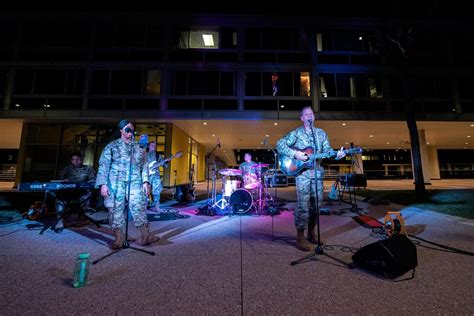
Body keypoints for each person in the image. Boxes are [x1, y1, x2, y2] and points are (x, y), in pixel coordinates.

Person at [276, 106, 346, 251]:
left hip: (317, 174)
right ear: (302, 118)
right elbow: (279, 144)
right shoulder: (296, 133)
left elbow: (327, 151)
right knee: (303, 205)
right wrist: (296, 154)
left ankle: (311, 232)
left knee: (317, 205)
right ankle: (300, 236)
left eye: (311, 114)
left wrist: (336, 154)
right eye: (306, 114)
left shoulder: (321, 134)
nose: (310, 116)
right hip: (303, 175)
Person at [95, 120, 160, 249]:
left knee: (138, 208)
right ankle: (120, 238)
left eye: (132, 130)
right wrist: (103, 184)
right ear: (121, 130)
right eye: (127, 129)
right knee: (114, 209)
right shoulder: (111, 146)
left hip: (135, 182)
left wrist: (146, 182)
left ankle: (145, 236)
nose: (130, 132)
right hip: (115, 183)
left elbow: (144, 166)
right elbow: (104, 166)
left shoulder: (138, 147)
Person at [54, 152, 96, 233]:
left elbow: (93, 180)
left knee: (87, 194)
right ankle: (60, 221)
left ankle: (80, 219)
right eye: (73, 159)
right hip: (68, 191)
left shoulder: (88, 169)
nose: (75, 161)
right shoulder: (67, 169)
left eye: (77, 159)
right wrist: (64, 181)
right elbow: (60, 179)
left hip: (82, 191)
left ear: (81, 160)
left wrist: (85, 183)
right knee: (59, 197)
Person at [146, 141, 169, 212]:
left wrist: (166, 161)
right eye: (152, 145)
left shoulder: (158, 156)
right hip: (146, 175)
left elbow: (165, 165)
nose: (154, 146)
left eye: (155, 145)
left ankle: (157, 207)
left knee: (156, 191)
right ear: (148, 146)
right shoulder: (144, 155)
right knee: (145, 191)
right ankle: (144, 207)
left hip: (156, 176)